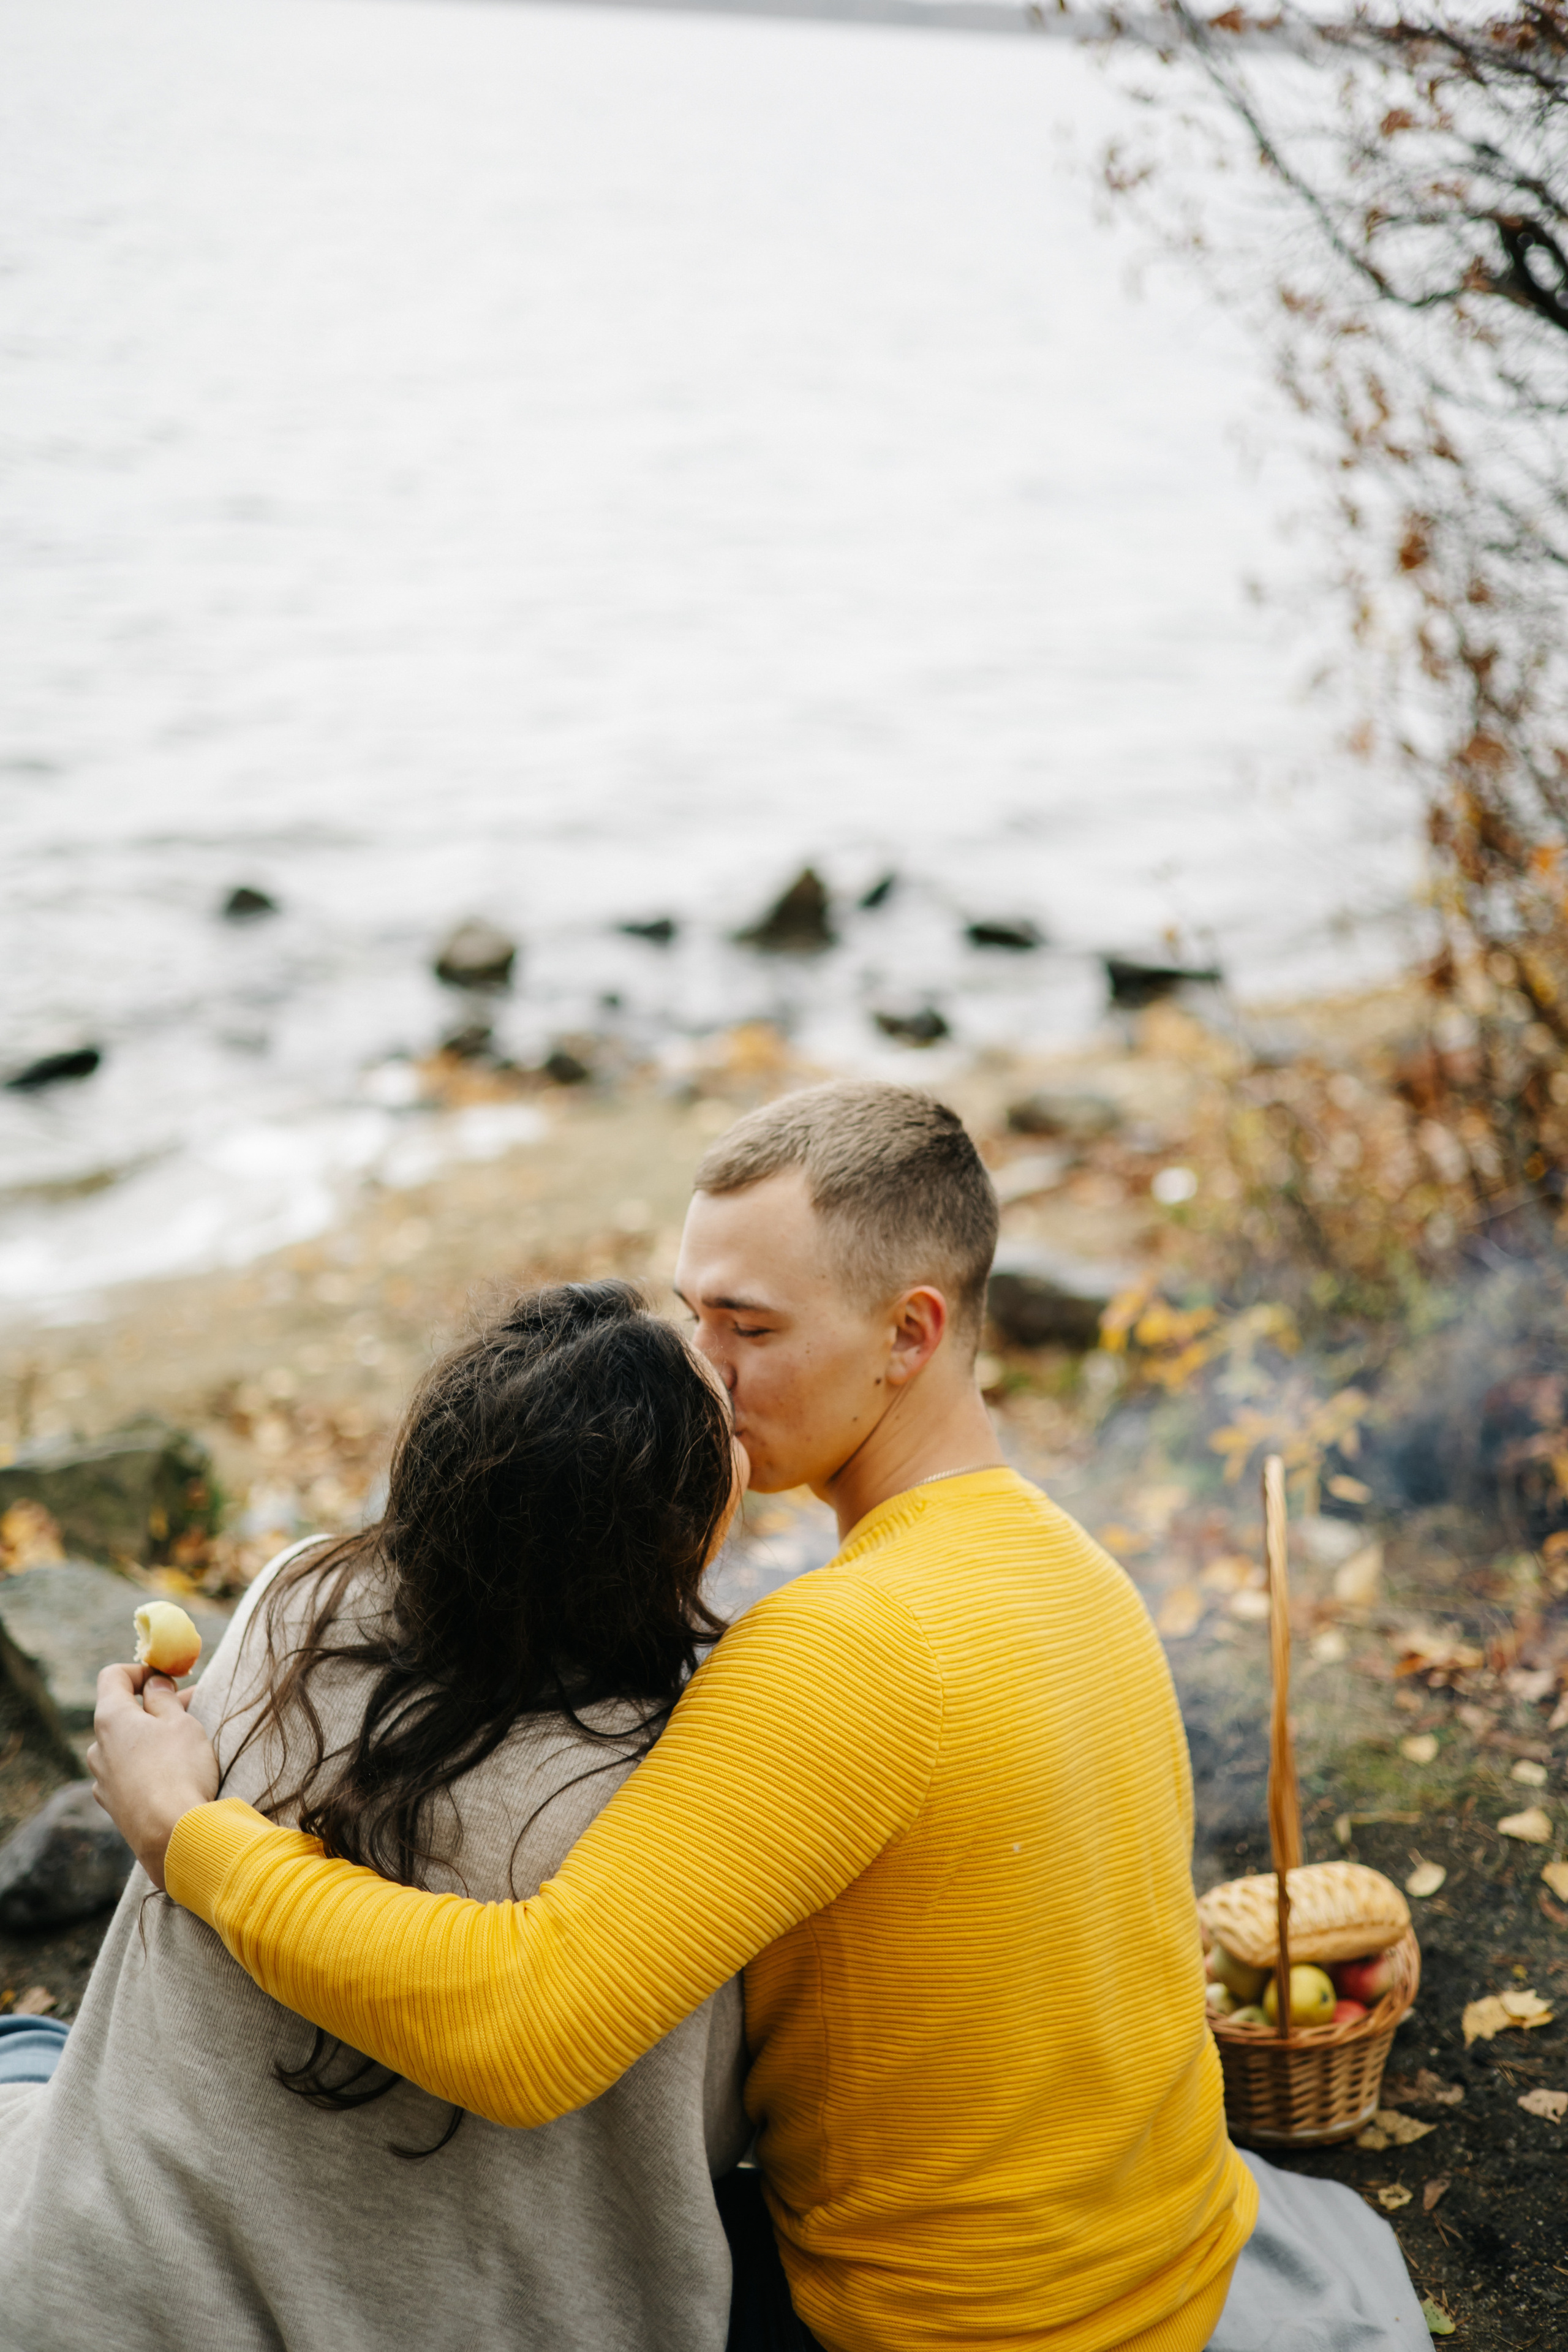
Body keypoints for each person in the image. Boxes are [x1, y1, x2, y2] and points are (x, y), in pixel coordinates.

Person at [92, 1081, 1430, 2352]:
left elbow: (524, 2024)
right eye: (693, 1320)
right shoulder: (1070, 1565)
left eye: (753, 1328)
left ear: (907, 1335)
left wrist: (185, 1832)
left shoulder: (842, 1646)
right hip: (1162, 2259)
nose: (703, 1378)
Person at [4, 1282, 751, 2352]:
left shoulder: (295, 1597)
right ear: (675, 1529)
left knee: (25, 2049)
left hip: (85, 2286)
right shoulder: (688, 1779)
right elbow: (708, 2134)